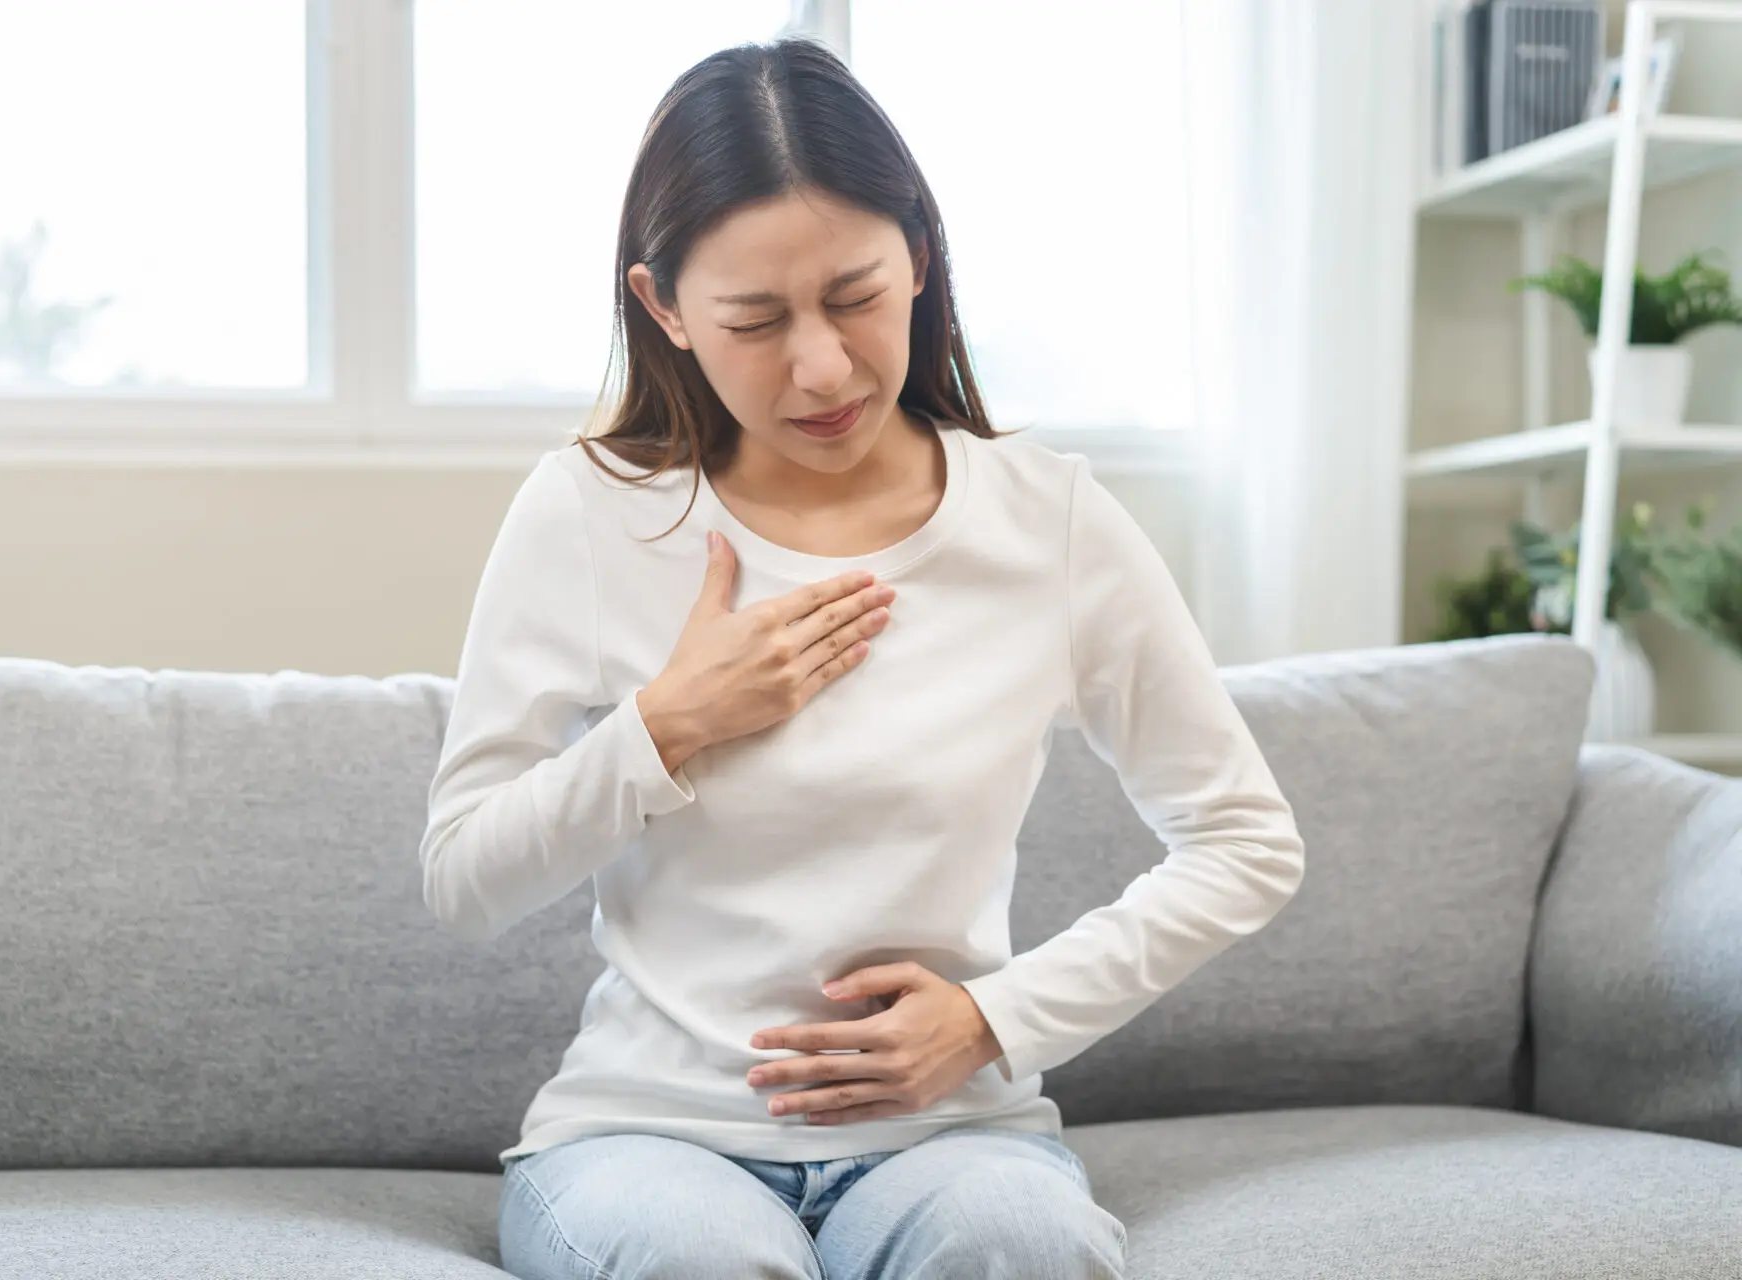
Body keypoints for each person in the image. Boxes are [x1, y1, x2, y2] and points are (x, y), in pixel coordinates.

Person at [419, 36, 1306, 1280]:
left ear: (922, 260)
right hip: (650, 1136)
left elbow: (1246, 839)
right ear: (664, 308)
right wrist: (664, 728)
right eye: (755, 318)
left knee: (1025, 1249)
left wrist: (999, 1016)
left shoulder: (1044, 519)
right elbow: (462, 878)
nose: (825, 367)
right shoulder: (589, 513)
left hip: (950, 1138)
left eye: (855, 295)